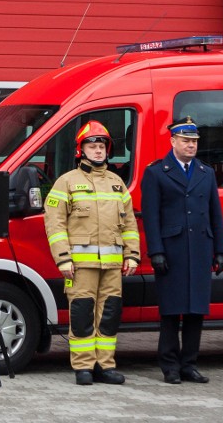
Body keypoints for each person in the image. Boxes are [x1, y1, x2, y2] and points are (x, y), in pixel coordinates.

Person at [44, 121, 141, 385]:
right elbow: (54, 224)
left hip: (112, 266)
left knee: (109, 315)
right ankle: (83, 367)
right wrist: (63, 259)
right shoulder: (66, 183)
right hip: (79, 266)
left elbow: (130, 223)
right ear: (81, 150)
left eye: (101, 146)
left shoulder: (117, 184)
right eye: (92, 146)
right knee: (82, 315)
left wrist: (132, 254)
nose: (98, 151)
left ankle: (105, 366)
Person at [141, 116, 223, 384]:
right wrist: (155, 250)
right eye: (186, 141)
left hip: (200, 249)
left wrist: (221, 250)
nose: (191, 146)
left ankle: (189, 364)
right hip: (172, 251)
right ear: (173, 141)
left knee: (195, 311)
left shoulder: (206, 172)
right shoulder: (157, 172)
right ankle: (169, 366)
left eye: (194, 142)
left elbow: (216, 212)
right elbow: (151, 216)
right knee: (171, 311)